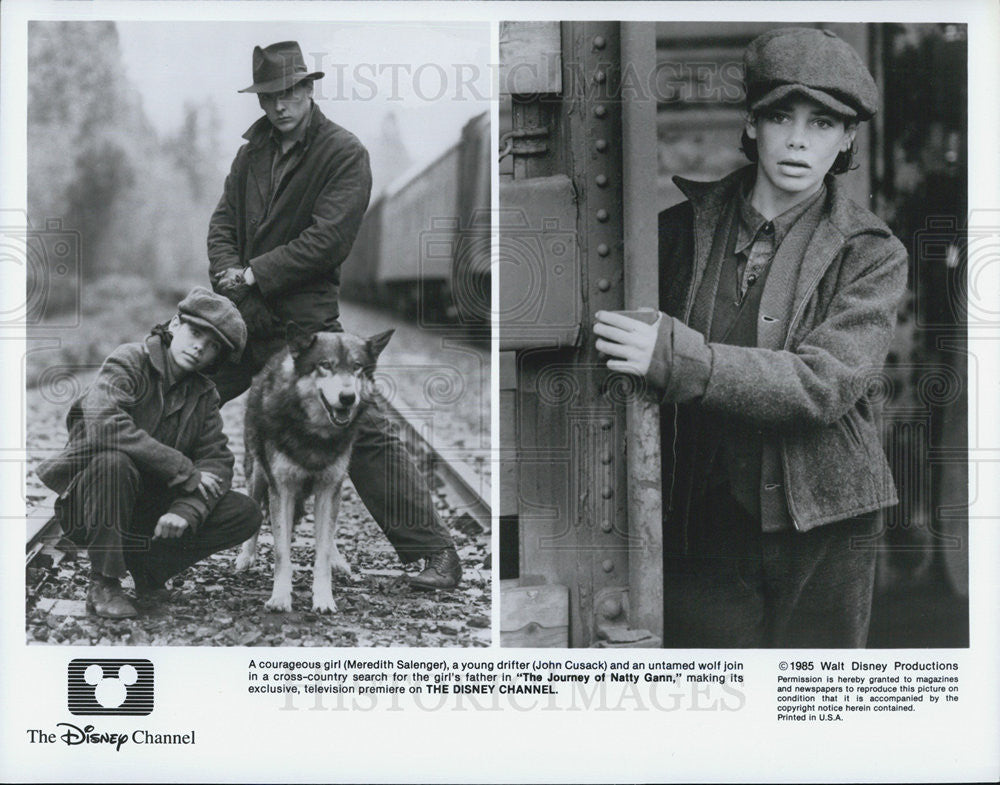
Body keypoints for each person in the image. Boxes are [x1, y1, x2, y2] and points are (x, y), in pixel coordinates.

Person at [593, 27, 908, 647]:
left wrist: (682, 360)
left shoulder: (872, 254)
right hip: (701, 526)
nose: (797, 139)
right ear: (753, 124)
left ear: (846, 139)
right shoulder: (673, 234)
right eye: (780, 116)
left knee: (814, 710)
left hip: (825, 525)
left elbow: (824, 384)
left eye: (822, 124)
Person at [206, 41, 461, 589]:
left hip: (304, 326)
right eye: (269, 96)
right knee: (182, 393)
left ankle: (435, 554)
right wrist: (228, 270)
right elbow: (223, 220)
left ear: (308, 88)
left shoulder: (343, 153)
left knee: (360, 428)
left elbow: (329, 240)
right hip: (243, 317)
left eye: (289, 92)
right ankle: (139, 537)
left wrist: (255, 272)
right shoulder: (250, 154)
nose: (278, 106)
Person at [37, 287, 262, 619]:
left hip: (149, 511)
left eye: (213, 345)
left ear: (217, 357)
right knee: (114, 461)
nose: (200, 346)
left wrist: (186, 510)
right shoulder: (129, 360)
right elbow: (104, 424)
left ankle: (149, 570)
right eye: (196, 332)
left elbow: (216, 461)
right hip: (93, 503)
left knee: (244, 512)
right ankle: (104, 582)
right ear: (174, 325)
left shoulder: (204, 395)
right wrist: (181, 468)